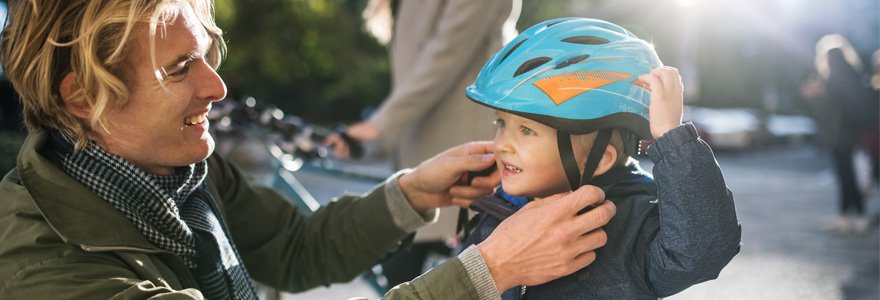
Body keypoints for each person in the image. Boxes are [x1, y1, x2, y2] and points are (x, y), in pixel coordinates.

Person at [0, 1, 618, 299]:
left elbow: (293, 249)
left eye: (206, 57)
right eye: (179, 67)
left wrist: (408, 194)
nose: (215, 87)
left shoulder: (182, 171)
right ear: (84, 98)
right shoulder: (46, 269)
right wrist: (486, 272)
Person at [458, 18, 742, 299]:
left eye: (527, 130)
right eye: (501, 125)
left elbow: (703, 249)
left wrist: (672, 138)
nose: (502, 146)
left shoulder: (630, 228)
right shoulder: (496, 214)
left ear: (601, 159)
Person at [326, 0, 522, 288]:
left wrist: (380, 125)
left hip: (465, 141)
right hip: (423, 141)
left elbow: (447, 52)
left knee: (449, 276)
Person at [802, 34, 879, 234]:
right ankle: (851, 216)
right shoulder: (852, 73)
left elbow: (829, 109)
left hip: (839, 134)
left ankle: (853, 216)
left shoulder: (834, 77)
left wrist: (815, 96)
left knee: (846, 176)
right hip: (852, 133)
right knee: (850, 175)